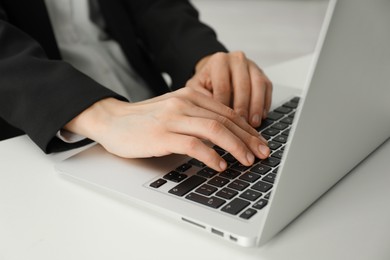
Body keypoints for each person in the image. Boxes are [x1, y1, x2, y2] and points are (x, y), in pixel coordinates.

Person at [0, 0, 272, 172]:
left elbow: (154, 6)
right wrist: (104, 116)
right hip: (46, 137)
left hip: (158, 115)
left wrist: (202, 58)